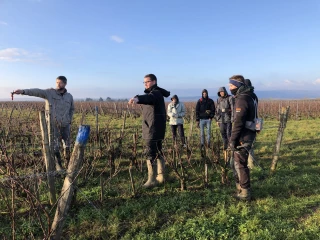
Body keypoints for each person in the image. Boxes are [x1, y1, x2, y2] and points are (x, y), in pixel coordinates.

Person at [13, 76, 74, 171]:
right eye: (57, 82)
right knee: (55, 145)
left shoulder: (69, 96)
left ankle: (68, 163)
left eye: (60, 83)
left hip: (66, 124)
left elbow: (72, 109)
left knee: (67, 144)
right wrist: (23, 91)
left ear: (65, 84)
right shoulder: (49, 93)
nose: (58, 84)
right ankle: (59, 167)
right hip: (53, 124)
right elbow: (37, 91)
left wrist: (70, 119)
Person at [128, 74, 170, 188]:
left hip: (152, 128)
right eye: (144, 82)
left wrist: (138, 99)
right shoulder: (157, 93)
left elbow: (148, 98)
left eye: (147, 81)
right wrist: (137, 97)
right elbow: (148, 97)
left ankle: (152, 179)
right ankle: (161, 176)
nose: (145, 84)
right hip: (157, 128)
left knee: (150, 152)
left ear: (154, 81)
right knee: (158, 151)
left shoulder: (155, 93)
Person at [229, 75, 257, 201]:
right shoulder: (252, 96)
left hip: (243, 136)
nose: (229, 88)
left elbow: (238, 122)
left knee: (240, 164)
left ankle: (244, 192)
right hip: (249, 133)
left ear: (238, 85)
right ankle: (241, 188)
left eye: (231, 85)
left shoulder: (242, 99)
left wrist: (233, 139)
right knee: (239, 163)